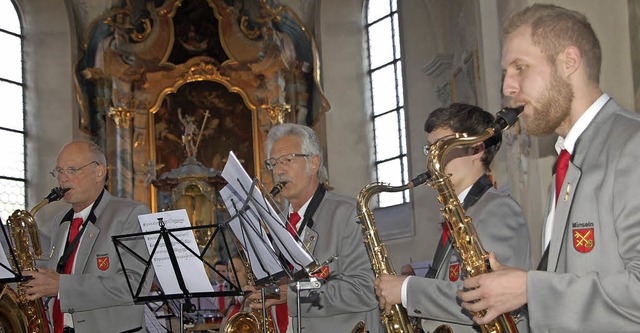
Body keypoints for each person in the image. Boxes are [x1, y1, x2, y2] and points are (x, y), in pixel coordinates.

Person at [457, 4, 640, 332]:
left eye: (520, 67)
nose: (507, 88)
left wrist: (529, 288)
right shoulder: (566, 164)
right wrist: (516, 290)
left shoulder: (632, 144)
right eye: (506, 73)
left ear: (569, 61)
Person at [374, 104, 531, 333]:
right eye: (430, 150)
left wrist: (408, 291)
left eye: (441, 147)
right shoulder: (461, 211)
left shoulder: (498, 209)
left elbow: (489, 297)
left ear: (476, 149)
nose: (432, 160)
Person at [246, 123, 382, 333]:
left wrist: (292, 295)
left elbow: (364, 289)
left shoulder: (348, 214)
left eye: (287, 160)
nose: (278, 170)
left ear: (314, 163)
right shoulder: (278, 223)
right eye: (273, 164)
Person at [23, 140, 153, 333]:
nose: (63, 179)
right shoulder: (60, 221)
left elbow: (134, 285)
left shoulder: (130, 214)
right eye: (59, 171)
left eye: (72, 170)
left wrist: (62, 287)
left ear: (99, 172)